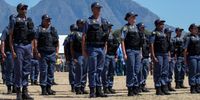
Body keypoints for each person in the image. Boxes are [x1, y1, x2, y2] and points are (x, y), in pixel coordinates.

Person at [82, 2, 108, 98]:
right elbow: (84, 36)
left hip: (101, 48)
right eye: (97, 8)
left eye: (99, 8)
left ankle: (99, 90)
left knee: (100, 70)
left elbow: (106, 36)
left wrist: (105, 47)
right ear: (92, 9)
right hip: (92, 48)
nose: (99, 10)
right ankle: (92, 91)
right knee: (92, 70)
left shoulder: (104, 21)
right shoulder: (88, 21)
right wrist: (83, 50)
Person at [9, 3, 35, 100]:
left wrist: (31, 48)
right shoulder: (14, 20)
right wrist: (12, 50)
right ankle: (18, 92)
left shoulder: (29, 20)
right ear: (18, 10)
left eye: (26, 8)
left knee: (26, 69)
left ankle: (25, 91)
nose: (25, 10)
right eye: (23, 8)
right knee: (18, 70)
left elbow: (32, 36)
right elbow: (11, 36)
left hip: (27, 46)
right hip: (18, 45)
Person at [34, 14, 59, 95]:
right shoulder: (39, 29)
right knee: (43, 71)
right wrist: (36, 51)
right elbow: (35, 41)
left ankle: (49, 88)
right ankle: (44, 89)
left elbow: (57, 41)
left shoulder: (53, 29)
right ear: (43, 20)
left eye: (49, 20)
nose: (49, 21)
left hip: (52, 53)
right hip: (43, 53)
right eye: (47, 20)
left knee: (51, 71)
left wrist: (57, 52)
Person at [121, 12, 143, 96]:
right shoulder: (125, 28)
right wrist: (124, 53)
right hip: (130, 51)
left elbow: (140, 42)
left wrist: (140, 52)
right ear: (128, 18)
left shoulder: (137, 28)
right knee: (131, 69)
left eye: (135, 17)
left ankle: (136, 87)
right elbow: (122, 40)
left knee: (137, 70)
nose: (134, 19)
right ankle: (130, 88)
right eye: (133, 17)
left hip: (137, 51)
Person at [149, 19, 171, 95]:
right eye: (161, 24)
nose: (162, 25)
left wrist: (168, 55)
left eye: (163, 24)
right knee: (158, 71)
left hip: (165, 54)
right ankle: (158, 88)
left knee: (165, 71)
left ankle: (164, 87)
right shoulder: (154, 33)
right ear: (157, 25)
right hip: (158, 54)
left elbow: (167, 45)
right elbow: (151, 45)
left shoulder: (164, 34)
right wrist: (153, 56)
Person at [70, 19, 88, 95]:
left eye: (84, 23)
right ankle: (77, 87)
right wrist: (73, 57)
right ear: (78, 24)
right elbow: (71, 46)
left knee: (85, 71)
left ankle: (82, 87)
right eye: (81, 23)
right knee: (79, 71)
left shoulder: (86, 33)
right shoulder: (74, 34)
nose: (83, 24)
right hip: (78, 54)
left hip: (86, 54)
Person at [102, 22, 119, 94]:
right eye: (109, 27)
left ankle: (110, 86)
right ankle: (105, 87)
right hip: (106, 56)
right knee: (105, 72)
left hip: (112, 55)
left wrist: (116, 56)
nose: (110, 29)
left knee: (111, 72)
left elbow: (117, 45)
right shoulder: (103, 35)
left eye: (111, 27)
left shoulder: (113, 36)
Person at [184, 24, 200, 94]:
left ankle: (197, 86)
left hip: (199, 56)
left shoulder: (199, 37)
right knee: (193, 73)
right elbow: (185, 50)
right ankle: (192, 87)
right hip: (192, 57)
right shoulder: (189, 38)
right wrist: (185, 60)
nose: (196, 29)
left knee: (198, 73)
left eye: (196, 28)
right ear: (190, 30)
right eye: (194, 28)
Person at [1, 25, 15, 94]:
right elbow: (2, 41)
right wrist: (3, 52)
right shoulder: (6, 30)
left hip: (17, 52)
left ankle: (15, 87)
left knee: (17, 71)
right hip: (9, 52)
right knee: (9, 71)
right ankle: (9, 87)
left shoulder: (17, 29)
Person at [136, 22, 150, 92]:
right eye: (142, 27)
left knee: (146, 71)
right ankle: (138, 85)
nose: (143, 29)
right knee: (139, 71)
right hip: (140, 56)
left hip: (146, 56)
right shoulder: (137, 35)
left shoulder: (146, 36)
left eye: (144, 27)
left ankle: (143, 85)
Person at [63, 24, 76, 92]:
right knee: (75, 72)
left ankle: (74, 86)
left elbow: (65, 48)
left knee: (73, 72)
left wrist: (66, 58)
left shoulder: (68, 37)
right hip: (73, 57)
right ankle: (74, 86)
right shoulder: (69, 37)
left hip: (71, 57)